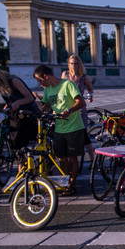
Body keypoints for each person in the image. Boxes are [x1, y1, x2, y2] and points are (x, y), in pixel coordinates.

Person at [34, 65, 85, 196]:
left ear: (46, 76)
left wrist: (69, 110)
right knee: (61, 158)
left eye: (40, 80)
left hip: (73, 127)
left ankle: (71, 184)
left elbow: (81, 102)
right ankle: (66, 181)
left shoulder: (67, 84)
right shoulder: (48, 90)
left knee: (73, 158)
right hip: (59, 128)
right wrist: (40, 112)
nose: (40, 84)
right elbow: (47, 105)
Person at [0, 67, 41, 150]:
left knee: (18, 140)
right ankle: (19, 159)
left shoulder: (14, 81)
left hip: (27, 114)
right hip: (15, 116)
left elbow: (30, 97)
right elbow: (10, 101)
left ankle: (22, 159)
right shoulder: (2, 86)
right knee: (12, 141)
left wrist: (18, 103)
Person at [61, 55, 95, 163]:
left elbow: (90, 89)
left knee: (84, 134)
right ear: (68, 64)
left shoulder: (83, 76)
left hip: (80, 108)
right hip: (68, 108)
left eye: (76, 63)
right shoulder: (65, 75)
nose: (73, 66)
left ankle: (92, 159)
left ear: (79, 64)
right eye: (71, 63)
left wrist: (90, 96)